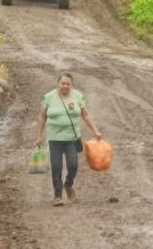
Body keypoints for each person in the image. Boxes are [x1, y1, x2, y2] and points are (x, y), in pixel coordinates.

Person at [36, 72, 102, 206]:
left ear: (71, 85)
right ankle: (57, 195)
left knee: (73, 165)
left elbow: (85, 115)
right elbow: (42, 116)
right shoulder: (49, 97)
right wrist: (39, 136)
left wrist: (95, 131)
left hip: (71, 138)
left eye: (68, 84)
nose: (65, 86)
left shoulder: (77, 96)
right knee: (57, 167)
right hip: (55, 139)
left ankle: (68, 185)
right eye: (63, 83)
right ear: (58, 83)